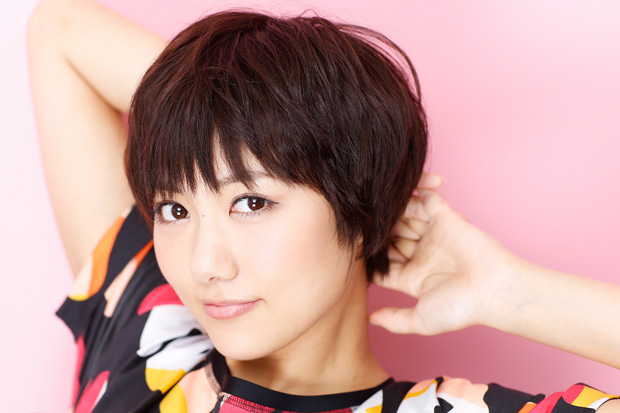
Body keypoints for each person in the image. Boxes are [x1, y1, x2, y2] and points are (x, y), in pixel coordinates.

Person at [27, 0, 619, 412]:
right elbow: (59, 28)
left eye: (251, 201)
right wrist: (214, 114)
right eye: (174, 210)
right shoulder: (147, 342)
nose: (204, 265)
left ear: (361, 209)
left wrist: (508, 292)